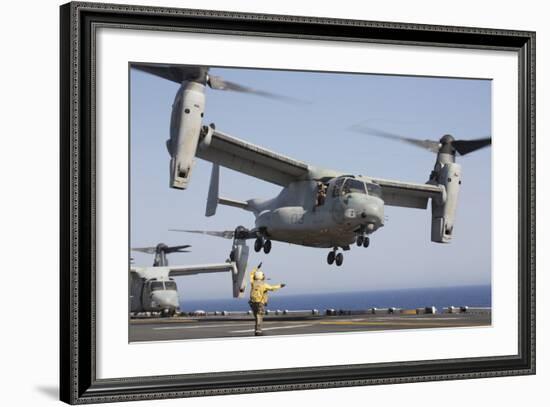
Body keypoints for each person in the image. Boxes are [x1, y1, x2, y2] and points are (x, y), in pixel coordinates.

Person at [248, 264, 286, 336]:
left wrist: (256, 268)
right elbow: (272, 288)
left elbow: (251, 274)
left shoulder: (253, 283)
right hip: (259, 303)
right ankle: (258, 331)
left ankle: (257, 330)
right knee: (259, 316)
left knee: (256, 317)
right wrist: (280, 286)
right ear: (261, 276)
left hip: (252, 303)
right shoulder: (263, 284)